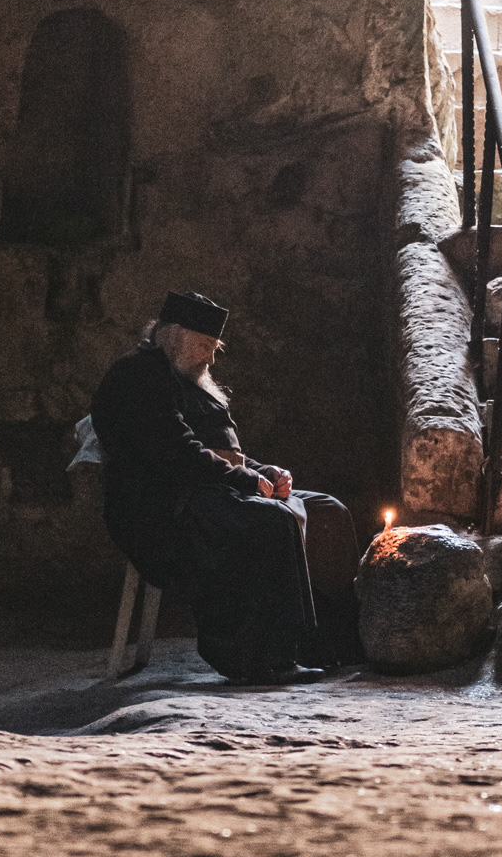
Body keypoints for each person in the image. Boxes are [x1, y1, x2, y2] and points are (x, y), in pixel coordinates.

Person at [89, 290, 362, 683]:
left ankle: (334, 646)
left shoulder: (189, 380)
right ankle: (264, 659)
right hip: (162, 507)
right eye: (205, 345)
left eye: (215, 348)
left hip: (215, 490)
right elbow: (177, 451)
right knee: (269, 521)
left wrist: (264, 470)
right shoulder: (136, 376)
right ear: (174, 334)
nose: (211, 358)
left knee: (327, 512)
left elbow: (221, 452)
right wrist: (248, 480)